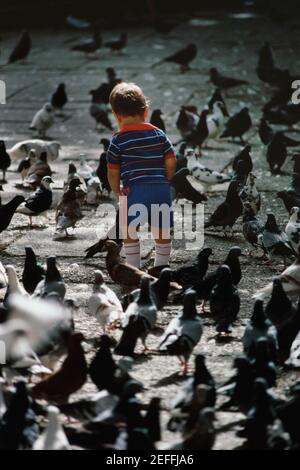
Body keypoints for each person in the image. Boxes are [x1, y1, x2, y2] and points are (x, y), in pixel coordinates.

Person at [107, 82, 176, 272]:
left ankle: (133, 268)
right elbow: (171, 159)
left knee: (129, 230)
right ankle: (162, 267)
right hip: (159, 188)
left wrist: (116, 190)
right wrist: (167, 178)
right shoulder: (158, 134)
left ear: (116, 115)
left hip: (134, 190)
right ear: (146, 111)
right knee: (161, 231)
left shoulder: (118, 140)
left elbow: (113, 171)